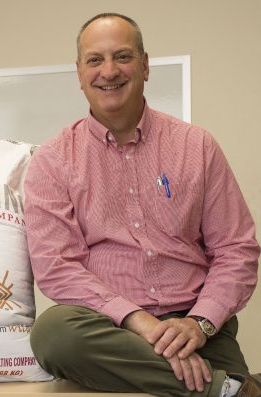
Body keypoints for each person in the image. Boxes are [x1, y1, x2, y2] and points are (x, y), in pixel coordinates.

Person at [24, 12, 261, 397]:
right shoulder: (53, 160)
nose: (109, 71)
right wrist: (140, 323)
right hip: (109, 332)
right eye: (95, 60)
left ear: (145, 65)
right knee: (54, 335)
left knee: (200, 340)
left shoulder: (196, 145)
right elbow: (56, 267)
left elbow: (237, 249)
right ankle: (230, 390)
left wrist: (198, 324)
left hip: (197, 328)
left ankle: (218, 384)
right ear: (80, 73)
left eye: (123, 56)